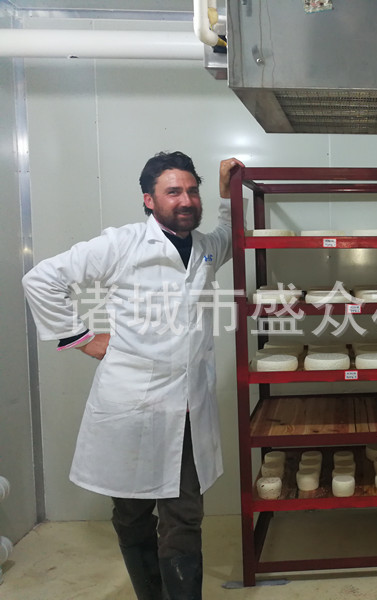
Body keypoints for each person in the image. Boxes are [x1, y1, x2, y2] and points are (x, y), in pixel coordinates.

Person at [22, 151, 244, 600]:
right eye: (173, 191)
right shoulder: (122, 244)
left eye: (192, 191)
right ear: (149, 200)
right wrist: (81, 338)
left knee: (184, 517)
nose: (186, 200)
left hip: (187, 408)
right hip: (133, 406)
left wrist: (226, 192)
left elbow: (229, 232)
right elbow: (42, 279)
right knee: (131, 514)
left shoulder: (205, 249)